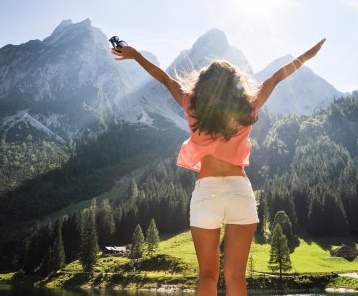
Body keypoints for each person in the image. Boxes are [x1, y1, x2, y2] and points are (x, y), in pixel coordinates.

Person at [111, 37, 325, 296]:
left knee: (207, 277)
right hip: (239, 190)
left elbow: (166, 79)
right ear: (234, 85)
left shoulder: (192, 105)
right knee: (236, 277)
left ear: (205, 84)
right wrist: (308, 55)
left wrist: (136, 55)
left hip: (206, 192)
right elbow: (276, 77)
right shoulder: (248, 106)